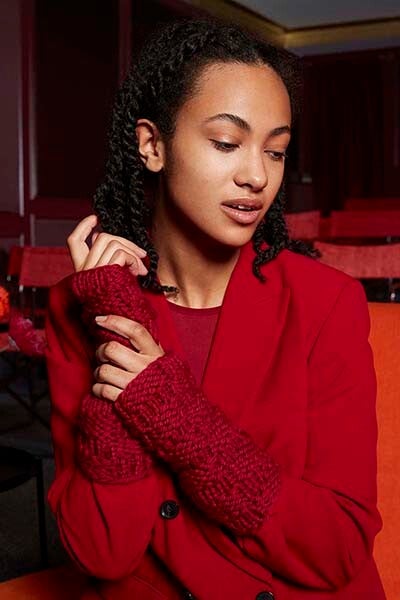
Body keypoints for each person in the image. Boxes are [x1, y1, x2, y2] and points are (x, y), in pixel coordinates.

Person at [45, 18, 385, 600]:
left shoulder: (327, 303)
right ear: (152, 146)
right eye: (227, 143)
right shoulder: (84, 304)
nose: (257, 176)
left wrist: (178, 419)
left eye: (275, 151)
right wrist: (116, 319)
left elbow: (337, 547)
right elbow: (103, 552)